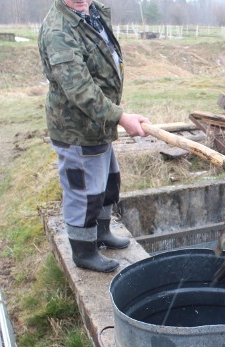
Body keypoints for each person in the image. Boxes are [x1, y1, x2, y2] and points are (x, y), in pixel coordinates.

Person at [38, 0, 149, 273]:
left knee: (107, 183)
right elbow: (79, 88)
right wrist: (121, 117)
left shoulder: (93, 11)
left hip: (99, 124)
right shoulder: (58, 30)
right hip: (77, 128)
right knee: (84, 192)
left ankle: (102, 233)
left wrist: (114, 115)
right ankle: (83, 251)